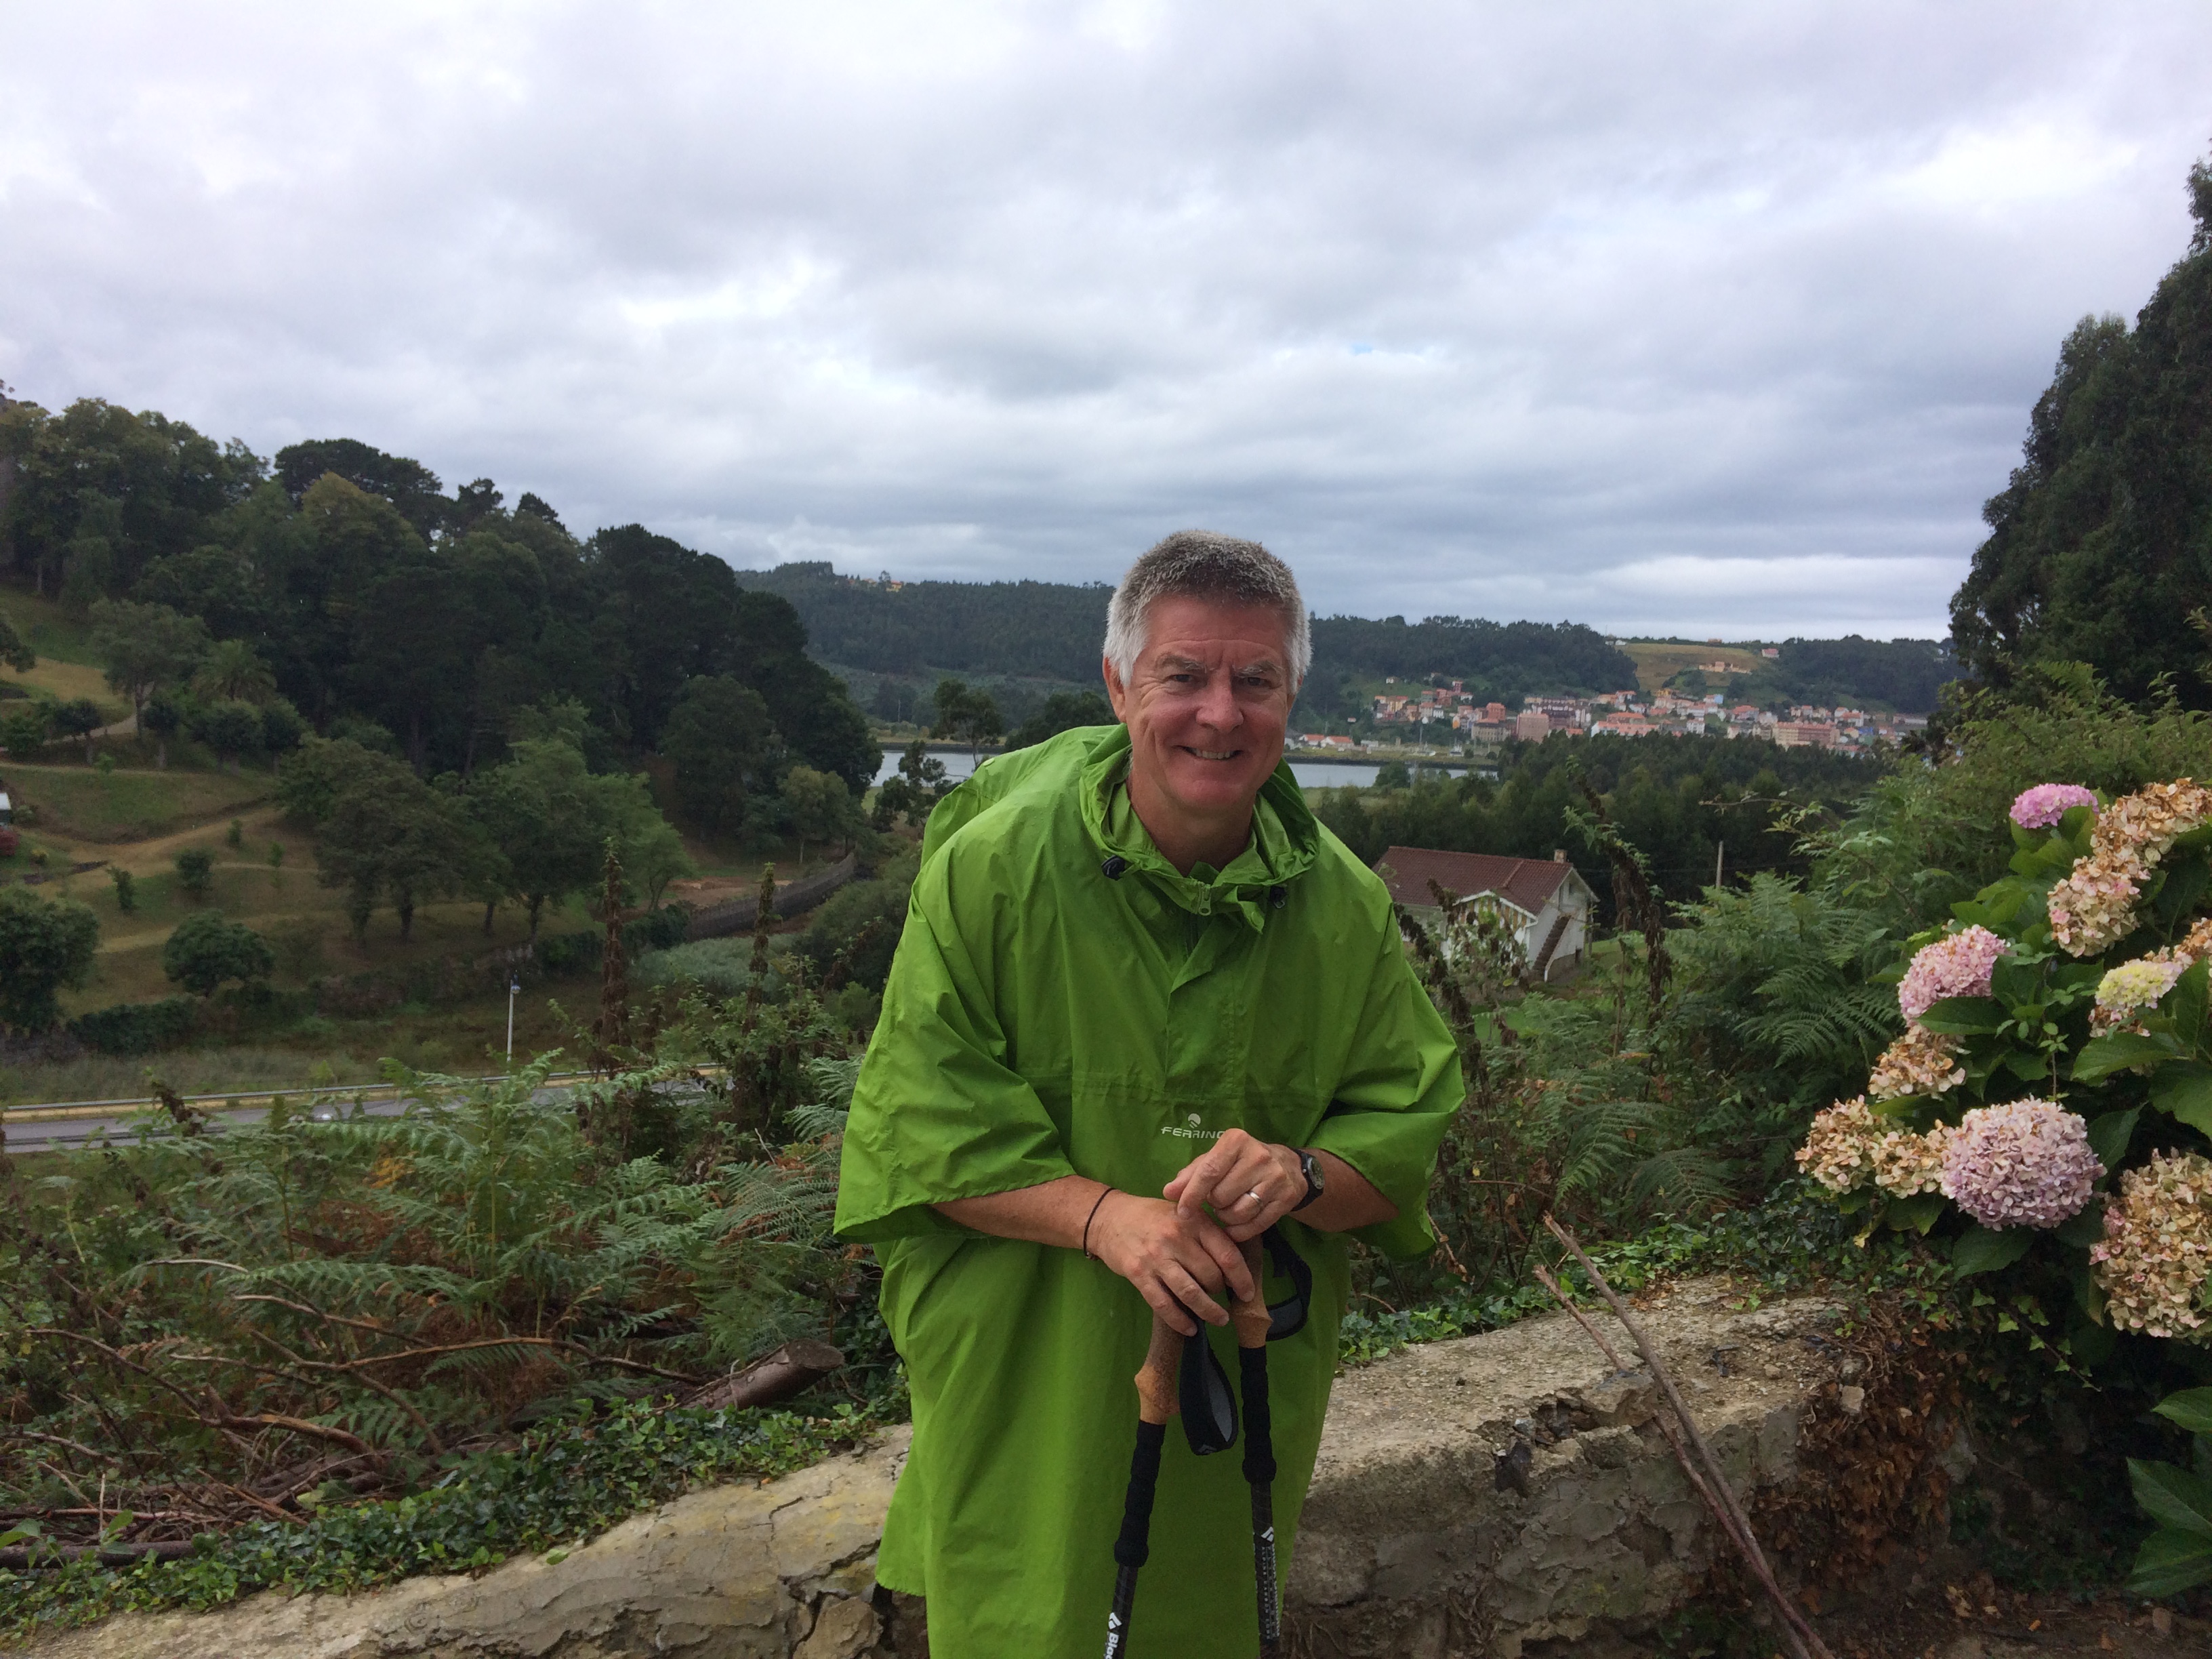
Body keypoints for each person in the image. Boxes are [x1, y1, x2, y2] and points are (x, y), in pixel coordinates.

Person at [835, 531, 1462, 1657]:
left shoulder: (1346, 909)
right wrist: (1106, 1219)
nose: (1220, 713)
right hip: (1029, 1374)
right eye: (1183, 676)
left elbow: (1401, 1136)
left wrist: (1300, 1173)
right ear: (1120, 685)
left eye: (1255, 680)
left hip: (1236, 1397)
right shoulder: (992, 871)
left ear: (1290, 699)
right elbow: (917, 1131)